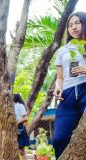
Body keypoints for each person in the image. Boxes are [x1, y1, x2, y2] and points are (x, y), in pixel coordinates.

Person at [53, 11, 86, 158]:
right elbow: (60, 77)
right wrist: (58, 87)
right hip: (67, 95)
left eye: (77, 23)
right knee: (59, 138)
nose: (74, 27)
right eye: (70, 25)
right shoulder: (62, 51)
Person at [13, 94, 30, 160]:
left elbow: (25, 118)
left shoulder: (19, 105)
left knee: (21, 150)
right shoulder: (12, 106)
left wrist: (16, 123)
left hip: (19, 128)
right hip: (12, 129)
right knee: (17, 150)